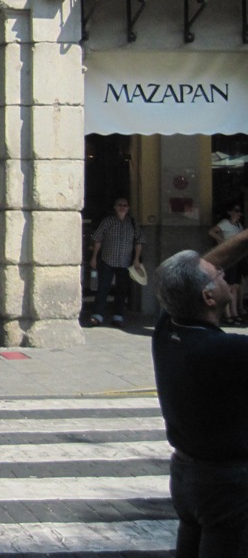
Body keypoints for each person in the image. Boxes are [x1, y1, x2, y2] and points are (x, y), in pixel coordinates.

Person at [151, 227, 248, 557]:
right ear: (208, 297)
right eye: (218, 277)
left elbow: (198, 269)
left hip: (187, 477)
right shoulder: (224, 351)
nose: (222, 273)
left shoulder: (168, 328)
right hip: (225, 482)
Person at [87, 197, 144, 328]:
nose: (122, 207)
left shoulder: (133, 224)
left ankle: (118, 316)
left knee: (122, 290)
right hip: (108, 260)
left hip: (125, 262)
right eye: (119, 205)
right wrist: (94, 257)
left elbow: (139, 242)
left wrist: (136, 259)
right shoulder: (108, 222)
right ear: (115, 207)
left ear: (128, 208)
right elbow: (97, 240)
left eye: (125, 205)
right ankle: (97, 316)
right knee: (103, 289)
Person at [208, 203, 244, 325]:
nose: (239, 213)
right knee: (227, 286)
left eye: (240, 211)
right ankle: (227, 314)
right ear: (230, 212)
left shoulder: (239, 226)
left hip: (237, 257)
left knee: (235, 286)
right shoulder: (225, 223)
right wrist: (223, 242)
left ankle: (234, 313)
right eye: (236, 210)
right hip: (228, 257)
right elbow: (212, 232)